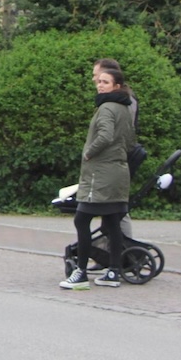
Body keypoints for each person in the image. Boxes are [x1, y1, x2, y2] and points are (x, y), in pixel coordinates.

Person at [59, 66, 136, 291]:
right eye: (99, 81)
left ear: (116, 86)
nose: (100, 85)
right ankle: (113, 271)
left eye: (105, 82)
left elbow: (105, 135)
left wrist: (89, 152)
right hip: (119, 173)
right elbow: (130, 141)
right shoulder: (125, 108)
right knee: (112, 223)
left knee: (81, 219)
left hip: (100, 175)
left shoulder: (106, 108)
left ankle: (80, 273)